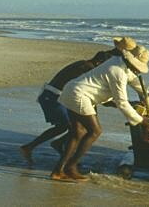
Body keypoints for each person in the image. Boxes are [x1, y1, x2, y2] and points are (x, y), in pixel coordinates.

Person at [18, 36, 136, 164]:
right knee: (75, 128)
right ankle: (32, 147)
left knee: (68, 127)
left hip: (52, 96)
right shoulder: (87, 69)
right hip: (53, 98)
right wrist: (126, 105)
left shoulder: (84, 64)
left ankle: (52, 146)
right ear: (100, 63)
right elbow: (88, 95)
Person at [50, 43, 149, 182]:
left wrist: (145, 93)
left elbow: (132, 78)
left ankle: (58, 171)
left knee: (78, 133)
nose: (137, 70)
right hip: (79, 95)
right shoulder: (118, 72)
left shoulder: (119, 61)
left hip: (71, 90)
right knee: (95, 131)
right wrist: (141, 121)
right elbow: (122, 102)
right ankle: (70, 167)